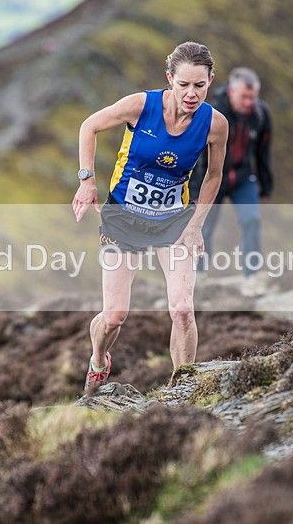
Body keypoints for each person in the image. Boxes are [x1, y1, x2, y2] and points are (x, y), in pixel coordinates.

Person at [72, 42, 228, 395]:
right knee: (114, 316)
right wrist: (87, 181)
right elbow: (88, 126)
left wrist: (196, 225)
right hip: (122, 219)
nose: (191, 94)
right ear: (170, 79)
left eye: (200, 86)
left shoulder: (215, 125)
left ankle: (183, 390)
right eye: (184, 84)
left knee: (184, 310)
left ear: (210, 81)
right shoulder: (140, 106)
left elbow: (214, 176)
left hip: (174, 222)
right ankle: (99, 359)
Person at [188, 67, 272, 295]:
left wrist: (266, 186)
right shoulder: (212, 112)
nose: (249, 102)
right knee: (203, 226)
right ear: (232, 91)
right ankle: (199, 276)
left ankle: (252, 278)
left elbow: (263, 153)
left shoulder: (261, 115)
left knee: (252, 221)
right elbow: (196, 155)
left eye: (253, 97)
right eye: (244, 97)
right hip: (213, 178)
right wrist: (194, 190)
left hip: (244, 177)